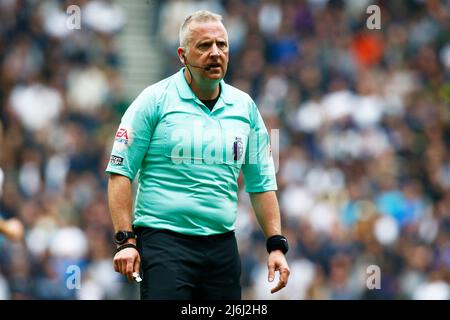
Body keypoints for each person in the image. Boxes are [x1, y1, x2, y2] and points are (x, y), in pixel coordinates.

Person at [106, 10, 290, 300]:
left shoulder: (245, 108)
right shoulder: (153, 100)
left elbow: (262, 183)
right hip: (163, 241)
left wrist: (276, 245)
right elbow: (120, 174)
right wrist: (125, 240)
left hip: (222, 247)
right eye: (204, 46)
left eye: (222, 45)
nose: (215, 53)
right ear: (182, 54)